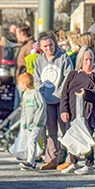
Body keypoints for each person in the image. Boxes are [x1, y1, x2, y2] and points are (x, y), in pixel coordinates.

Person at [58, 46, 95, 175]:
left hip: (89, 112)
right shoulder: (73, 75)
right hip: (73, 111)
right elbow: (64, 94)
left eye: (90, 60)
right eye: (86, 60)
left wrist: (88, 93)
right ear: (81, 60)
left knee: (87, 137)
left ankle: (89, 165)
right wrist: (64, 110)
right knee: (73, 136)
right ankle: (73, 162)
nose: (88, 63)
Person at [33, 31, 74, 171]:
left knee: (65, 130)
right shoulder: (39, 60)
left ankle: (69, 158)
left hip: (62, 99)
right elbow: (37, 79)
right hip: (47, 99)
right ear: (41, 47)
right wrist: (42, 91)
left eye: (50, 45)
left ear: (54, 43)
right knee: (50, 131)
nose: (48, 48)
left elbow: (68, 77)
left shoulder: (63, 57)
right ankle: (51, 158)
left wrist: (61, 93)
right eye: (45, 46)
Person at [16, 73, 45, 170]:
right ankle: (31, 160)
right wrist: (24, 123)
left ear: (25, 84)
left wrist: (37, 121)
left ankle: (30, 161)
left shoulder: (35, 93)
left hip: (37, 124)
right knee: (29, 142)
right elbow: (24, 110)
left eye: (20, 84)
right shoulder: (25, 95)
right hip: (28, 124)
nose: (19, 86)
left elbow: (41, 106)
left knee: (32, 141)